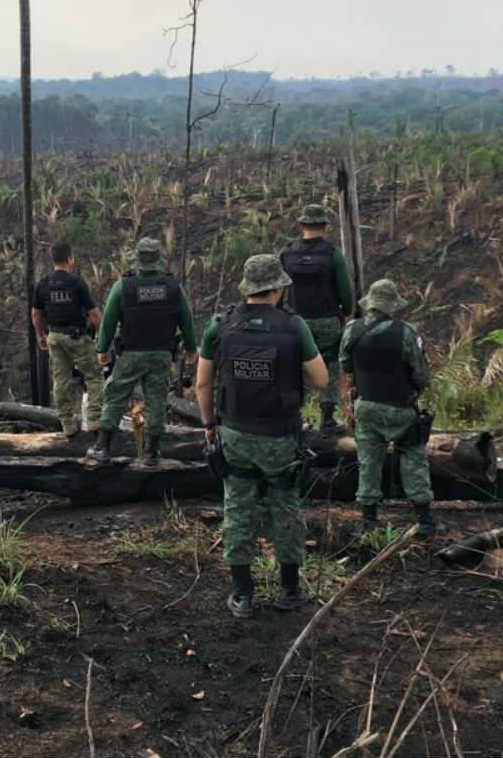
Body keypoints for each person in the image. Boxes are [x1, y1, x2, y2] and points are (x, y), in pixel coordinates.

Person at [195, 254, 329, 618]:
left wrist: (209, 424)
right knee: (285, 506)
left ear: (247, 287)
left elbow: (203, 382)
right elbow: (321, 379)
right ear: (279, 287)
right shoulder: (294, 326)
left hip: (235, 432)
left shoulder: (219, 325)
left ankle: (242, 594)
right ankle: (289, 590)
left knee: (237, 506)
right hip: (280, 437)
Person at [340, 279, 439, 536]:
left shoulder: (352, 330)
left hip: (366, 408)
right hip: (400, 409)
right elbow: (421, 376)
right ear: (391, 306)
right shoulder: (406, 332)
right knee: (414, 458)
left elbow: (345, 365)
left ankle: (369, 520)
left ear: (370, 305)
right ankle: (425, 519)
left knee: (368, 462)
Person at [86, 237, 197, 465]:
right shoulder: (174, 288)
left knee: (116, 395)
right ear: (158, 260)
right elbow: (187, 320)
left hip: (131, 354)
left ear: (137, 261)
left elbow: (108, 321)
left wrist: (102, 349)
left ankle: (103, 447)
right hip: (161, 355)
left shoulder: (123, 287)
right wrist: (192, 349)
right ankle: (151, 452)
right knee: (157, 400)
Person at [280, 203, 355, 435]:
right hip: (327, 322)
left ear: (302, 225)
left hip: (294, 322)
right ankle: (327, 421)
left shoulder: (287, 253)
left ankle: (293, 418)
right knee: (330, 367)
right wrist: (347, 311)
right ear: (324, 226)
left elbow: (276, 287)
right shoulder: (333, 254)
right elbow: (346, 290)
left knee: (294, 368)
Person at [31, 241, 104, 438]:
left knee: (60, 380)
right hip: (77, 337)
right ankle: (95, 421)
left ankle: (67, 425)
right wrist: (101, 335)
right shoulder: (76, 283)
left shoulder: (43, 284)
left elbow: (36, 314)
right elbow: (94, 314)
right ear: (70, 259)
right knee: (94, 376)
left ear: (53, 259)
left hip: (54, 336)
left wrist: (40, 335)